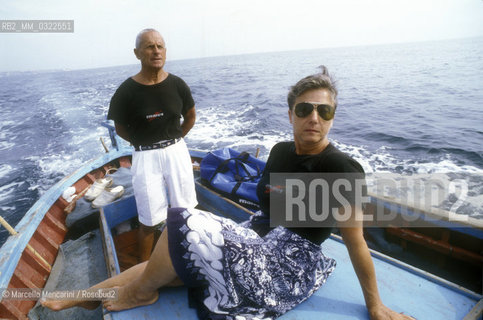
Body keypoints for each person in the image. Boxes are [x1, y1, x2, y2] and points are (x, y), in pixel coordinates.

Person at [42, 67, 414, 320]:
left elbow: (357, 243)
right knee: (175, 257)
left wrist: (376, 307)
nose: (313, 117)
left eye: (323, 110)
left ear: (332, 116)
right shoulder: (281, 152)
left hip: (287, 265)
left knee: (181, 223)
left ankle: (139, 293)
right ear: (291, 114)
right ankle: (92, 293)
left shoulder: (342, 170)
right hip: (259, 234)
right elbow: (267, 207)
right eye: (305, 109)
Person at [107, 28, 198, 262]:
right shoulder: (126, 91)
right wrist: (144, 143)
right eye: (149, 46)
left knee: (187, 212)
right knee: (148, 219)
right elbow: (120, 128)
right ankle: (144, 271)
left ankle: (193, 259)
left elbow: (190, 117)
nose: (156, 51)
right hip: (145, 156)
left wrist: (175, 141)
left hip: (176, 151)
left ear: (165, 51)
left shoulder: (177, 85)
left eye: (160, 46)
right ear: (137, 53)